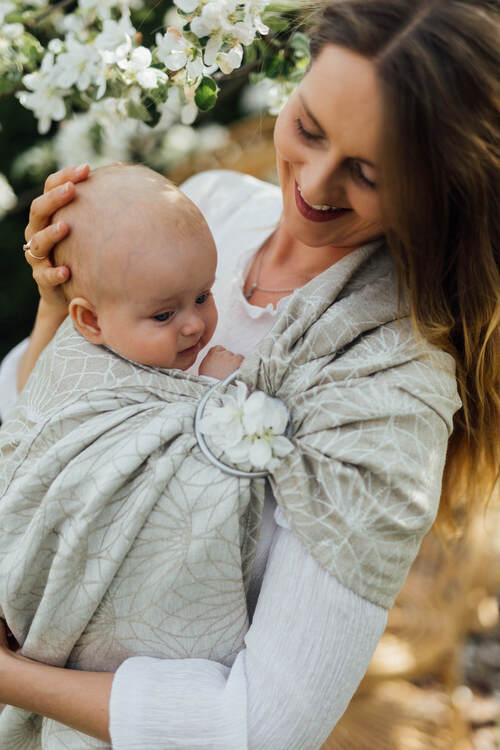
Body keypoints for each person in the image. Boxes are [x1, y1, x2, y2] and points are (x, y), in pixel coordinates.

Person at [0, 1, 498, 748]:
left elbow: (261, 725)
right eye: (308, 129)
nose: (317, 187)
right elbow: (37, 425)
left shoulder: (385, 398)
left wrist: (10, 677)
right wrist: (59, 309)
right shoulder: (210, 212)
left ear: (440, 189)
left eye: (367, 173)